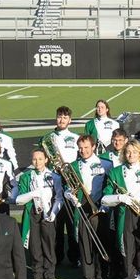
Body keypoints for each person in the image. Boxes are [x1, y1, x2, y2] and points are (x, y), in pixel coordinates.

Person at [101, 140, 140, 279]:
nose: (131, 155)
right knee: (127, 251)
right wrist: (120, 198)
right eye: (128, 152)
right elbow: (104, 199)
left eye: (135, 151)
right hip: (125, 216)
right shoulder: (115, 172)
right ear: (124, 153)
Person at [66, 134, 110, 279]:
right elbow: (67, 188)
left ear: (93, 147)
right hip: (82, 208)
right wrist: (70, 196)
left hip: (99, 210)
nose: (83, 150)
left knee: (101, 246)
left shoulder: (106, 164)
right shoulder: (72, 166)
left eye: (86, 147)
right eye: (81, 148)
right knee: (85, 246)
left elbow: (110, 186)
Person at [13, 148, 63, 279]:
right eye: (34, 159)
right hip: (33, 213)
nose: (37, 162)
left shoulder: (54, 176)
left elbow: (59, 198)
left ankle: (50, 274)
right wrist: (35, 193)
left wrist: (53, 213)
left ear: (46, 160)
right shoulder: (26, 176)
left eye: (40, 159)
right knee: (34, 245)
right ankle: (37, 274)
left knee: (48, 245)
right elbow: (19, 199)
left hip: (48, 214)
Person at [43, 106, 80, 267]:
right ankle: (56, 257)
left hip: (70, 180)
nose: (62, 120)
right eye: (59, 117)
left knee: (72, 221)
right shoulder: (47, 138)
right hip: (53, 181)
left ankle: (74, 257)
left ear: (69, 120)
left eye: (65, 117)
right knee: (56, 222)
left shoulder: (76, 137)